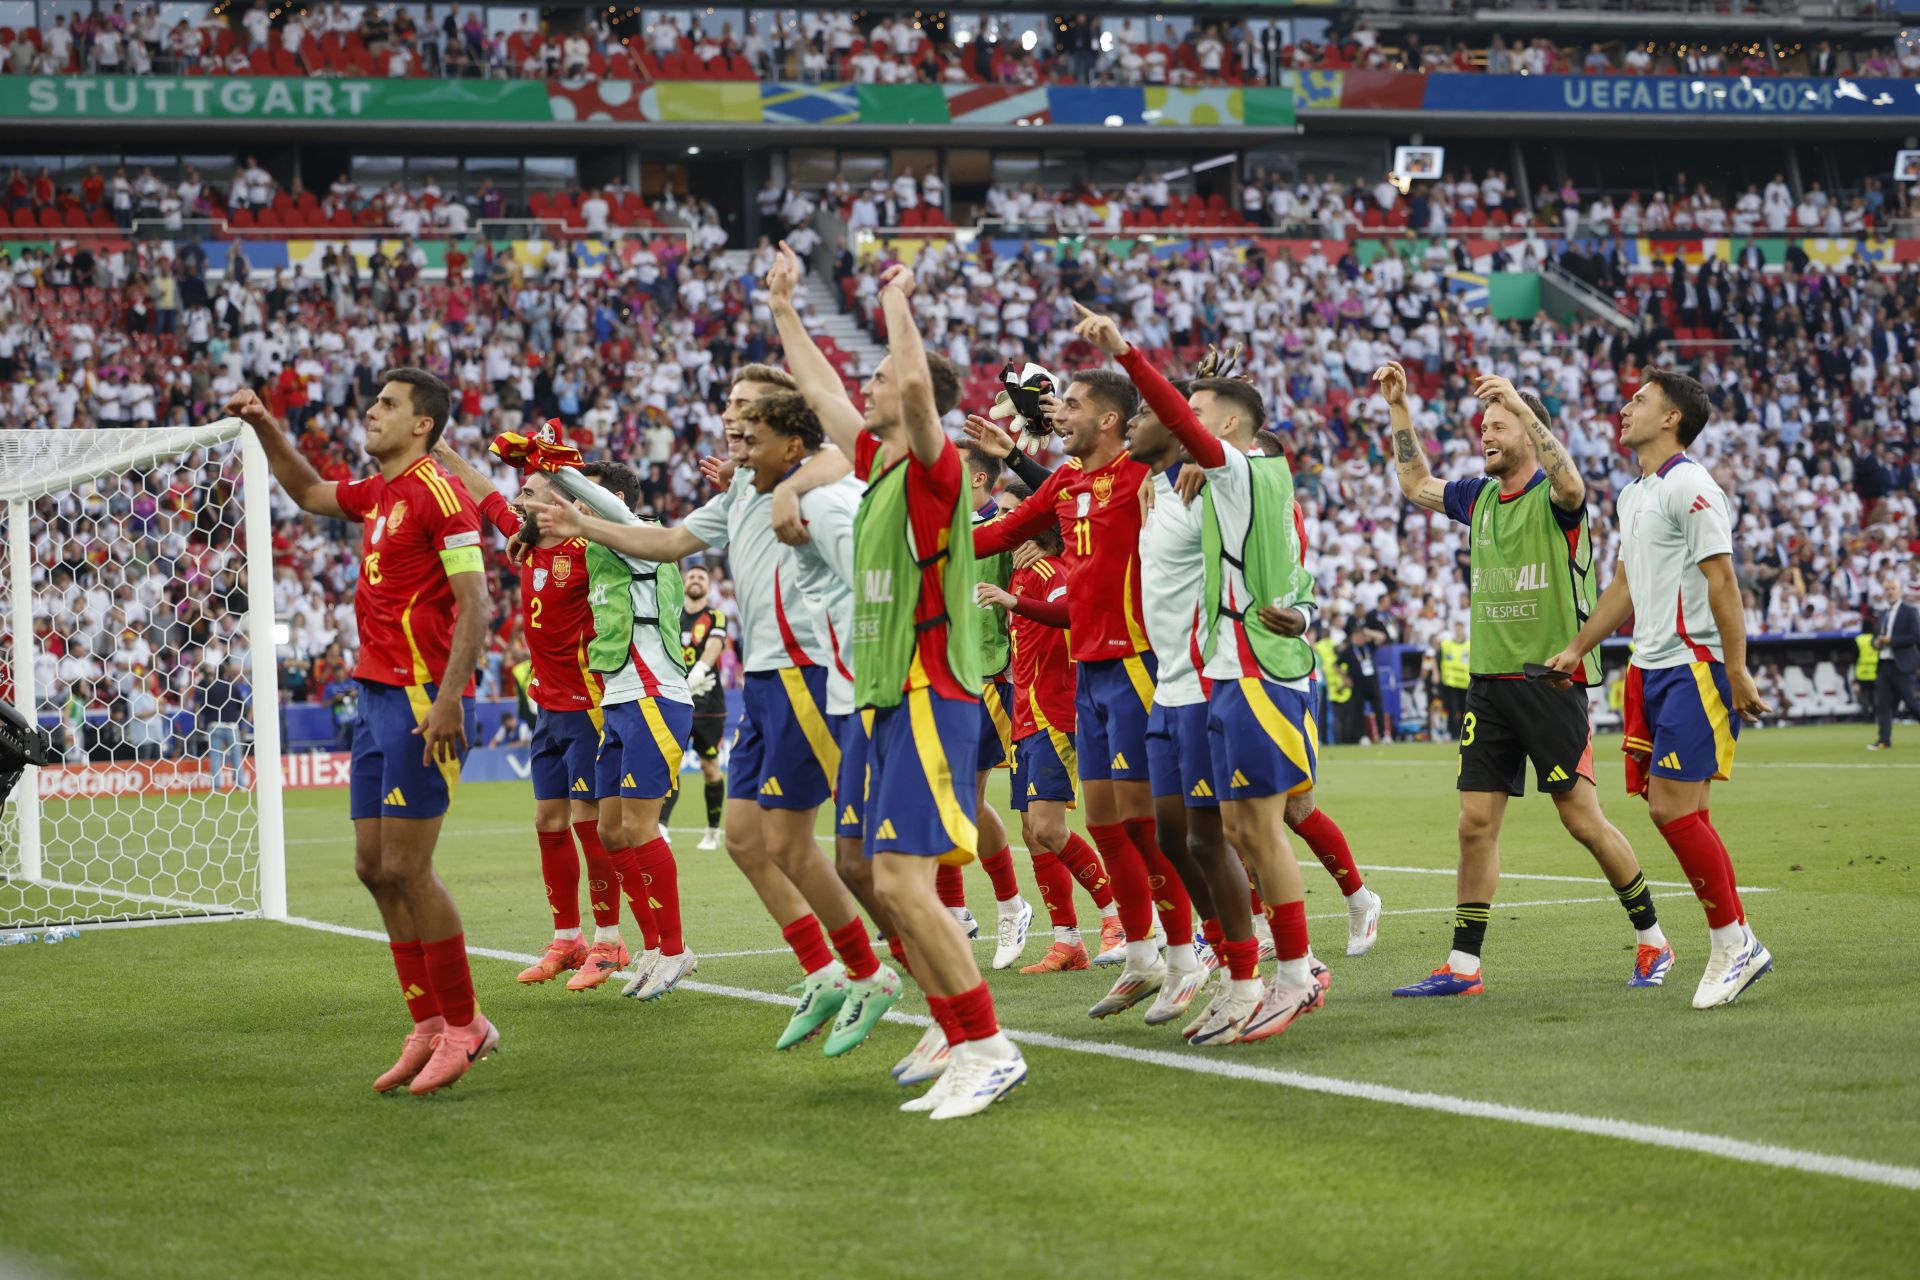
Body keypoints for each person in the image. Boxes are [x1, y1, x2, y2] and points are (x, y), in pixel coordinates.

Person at [525, 363, 901, 1059]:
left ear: (788, 428)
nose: (732, 418)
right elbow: (666, 542)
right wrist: (581, 521)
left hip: (809, 673)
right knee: (748, 842)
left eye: (747, 408)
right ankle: (829, 969)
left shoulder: (820, 479)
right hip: (761, 681)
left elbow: (853, 455)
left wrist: (800, 477)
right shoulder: (739, 490)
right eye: (728, 405)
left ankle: (907, 977)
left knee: (856, 856)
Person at [226, 370, 498, 1096]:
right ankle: (429, 1024)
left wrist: (448, 699)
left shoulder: (442, 495)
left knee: (411, 868)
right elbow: (310, 492)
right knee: (374, 868)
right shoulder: (381, 493)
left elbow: (478, 606)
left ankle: (466, 1023)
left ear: (422, 426)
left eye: (387, 405)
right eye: (373, 401)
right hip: (373, 698)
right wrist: (264, 424)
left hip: (417, 702)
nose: (370, 412)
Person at [1088, 304, 1348, 1045]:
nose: (1175, 418)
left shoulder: (1238, 473)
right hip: (1214, 674)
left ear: (1223, 428)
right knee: (1220, 832)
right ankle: (1246, 977)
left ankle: (1293, 975)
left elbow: (1290, 567)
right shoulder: (1196, 485)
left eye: (1195, 412)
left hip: (1247, 672)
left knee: (1255, 831)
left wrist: (1126, 350)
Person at [1378, 361, 1670, 997]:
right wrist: (1400, 406)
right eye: (1484, 426)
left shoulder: (1558, 500)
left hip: (1550, 682)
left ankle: (1653, 940)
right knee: (1473, 825)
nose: (1486, 435)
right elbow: (1415, 483)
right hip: (1489, 684)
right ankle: (1463, 966)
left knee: (1582, 821)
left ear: (1530, 433)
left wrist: (1520, 402)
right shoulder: (1478, 498)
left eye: (1499, 425)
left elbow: (1571, 481)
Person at [963, 300, 1197, 1024]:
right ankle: (1140, 959)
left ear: (1108, 420)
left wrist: (1123, 351)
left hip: (1136, 666)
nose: (1057, 412)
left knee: (1151, 826)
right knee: (1105, 824)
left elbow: (1178, 421)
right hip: (1088, 673)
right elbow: (994, 531)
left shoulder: (1140, 475)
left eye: (1071, 403)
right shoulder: (1064, 484)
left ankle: (1192, 956)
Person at [835, 262, 1027, 1119]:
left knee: (904, 883)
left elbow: (912, 380)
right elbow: (824, 395)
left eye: (875, 374)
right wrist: (779, 309)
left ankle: (984, 1045)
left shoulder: (936, 466)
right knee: (885, 879)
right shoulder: (879, 467)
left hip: (927, 689)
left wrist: (894, 299)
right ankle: (962, 1037)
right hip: (888, 693)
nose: (864, 385)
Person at [1547, 369, 1774, 1010]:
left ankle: (1733, 943)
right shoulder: (1633, 493)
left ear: (1672, 418)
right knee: (1685, 812)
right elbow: (1622, 584)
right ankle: (1738, 943)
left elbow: (1722, 580)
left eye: (1640, 401)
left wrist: (1735, 667)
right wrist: (1578, 646)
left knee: (1671, 811)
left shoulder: (1693, 488)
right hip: (1648, 669)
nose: (1625, 408)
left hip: (1693, 667)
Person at [432, 441, 653, 993]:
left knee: (587, 824)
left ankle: (609, 939)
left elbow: (628, 528)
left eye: (529, 493)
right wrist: (445, 452)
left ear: (558, 501)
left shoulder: (589, 550)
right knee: (547, 822)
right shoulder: (528, 546)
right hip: (547, 707)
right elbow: (485, 496)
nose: (519, 499)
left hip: (588, 708)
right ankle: (567, 937)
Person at [974, 488, 1119, 976]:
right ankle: (1067, 941)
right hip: (1024, 716)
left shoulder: (1047, 572)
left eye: (1015, 512)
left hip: (1053, 714)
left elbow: (1076, 614)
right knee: (1034, 834)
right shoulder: (1017, 569)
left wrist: (1014, 599)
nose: (1008, 519)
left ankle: (1115, 914)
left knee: (1049, 828)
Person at [665, 564, 729, 848]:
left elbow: (714, 645)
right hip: (675, 699)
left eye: (701, 577)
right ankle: (660, 825)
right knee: (668, 765)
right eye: (691, 576)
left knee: (709, 767)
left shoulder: (715, 616)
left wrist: (701, 669)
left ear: (708, 586)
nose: (695, 580)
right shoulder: (671, 614)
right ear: (684, 582)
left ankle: (713, 831)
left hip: (707, 703)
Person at [1868, 573, 1919, 749]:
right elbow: (1875, 636)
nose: (1890, 592)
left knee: (1912, 703)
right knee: (1882, 704)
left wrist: (1892, 641)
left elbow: (1915, 637)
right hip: (1884, 664)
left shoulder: (1909, 611)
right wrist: (1875, 643)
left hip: (1902, 665)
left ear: (1900, 591)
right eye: (1887, 589)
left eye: (1893, 589)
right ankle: (1884, 740)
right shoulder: (1882, 613)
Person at [1434, 618, 1470, 741]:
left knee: (1464, 709)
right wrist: (1436, 673)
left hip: (1465, 683)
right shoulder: (1446, 645)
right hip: (1450, 682)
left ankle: (1464, 732)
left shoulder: (1469, 645)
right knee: (1452, 709)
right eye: (1457, 627)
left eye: (1461, 627)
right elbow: (1436, 659)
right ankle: (1453, 733)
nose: (1459, 630)